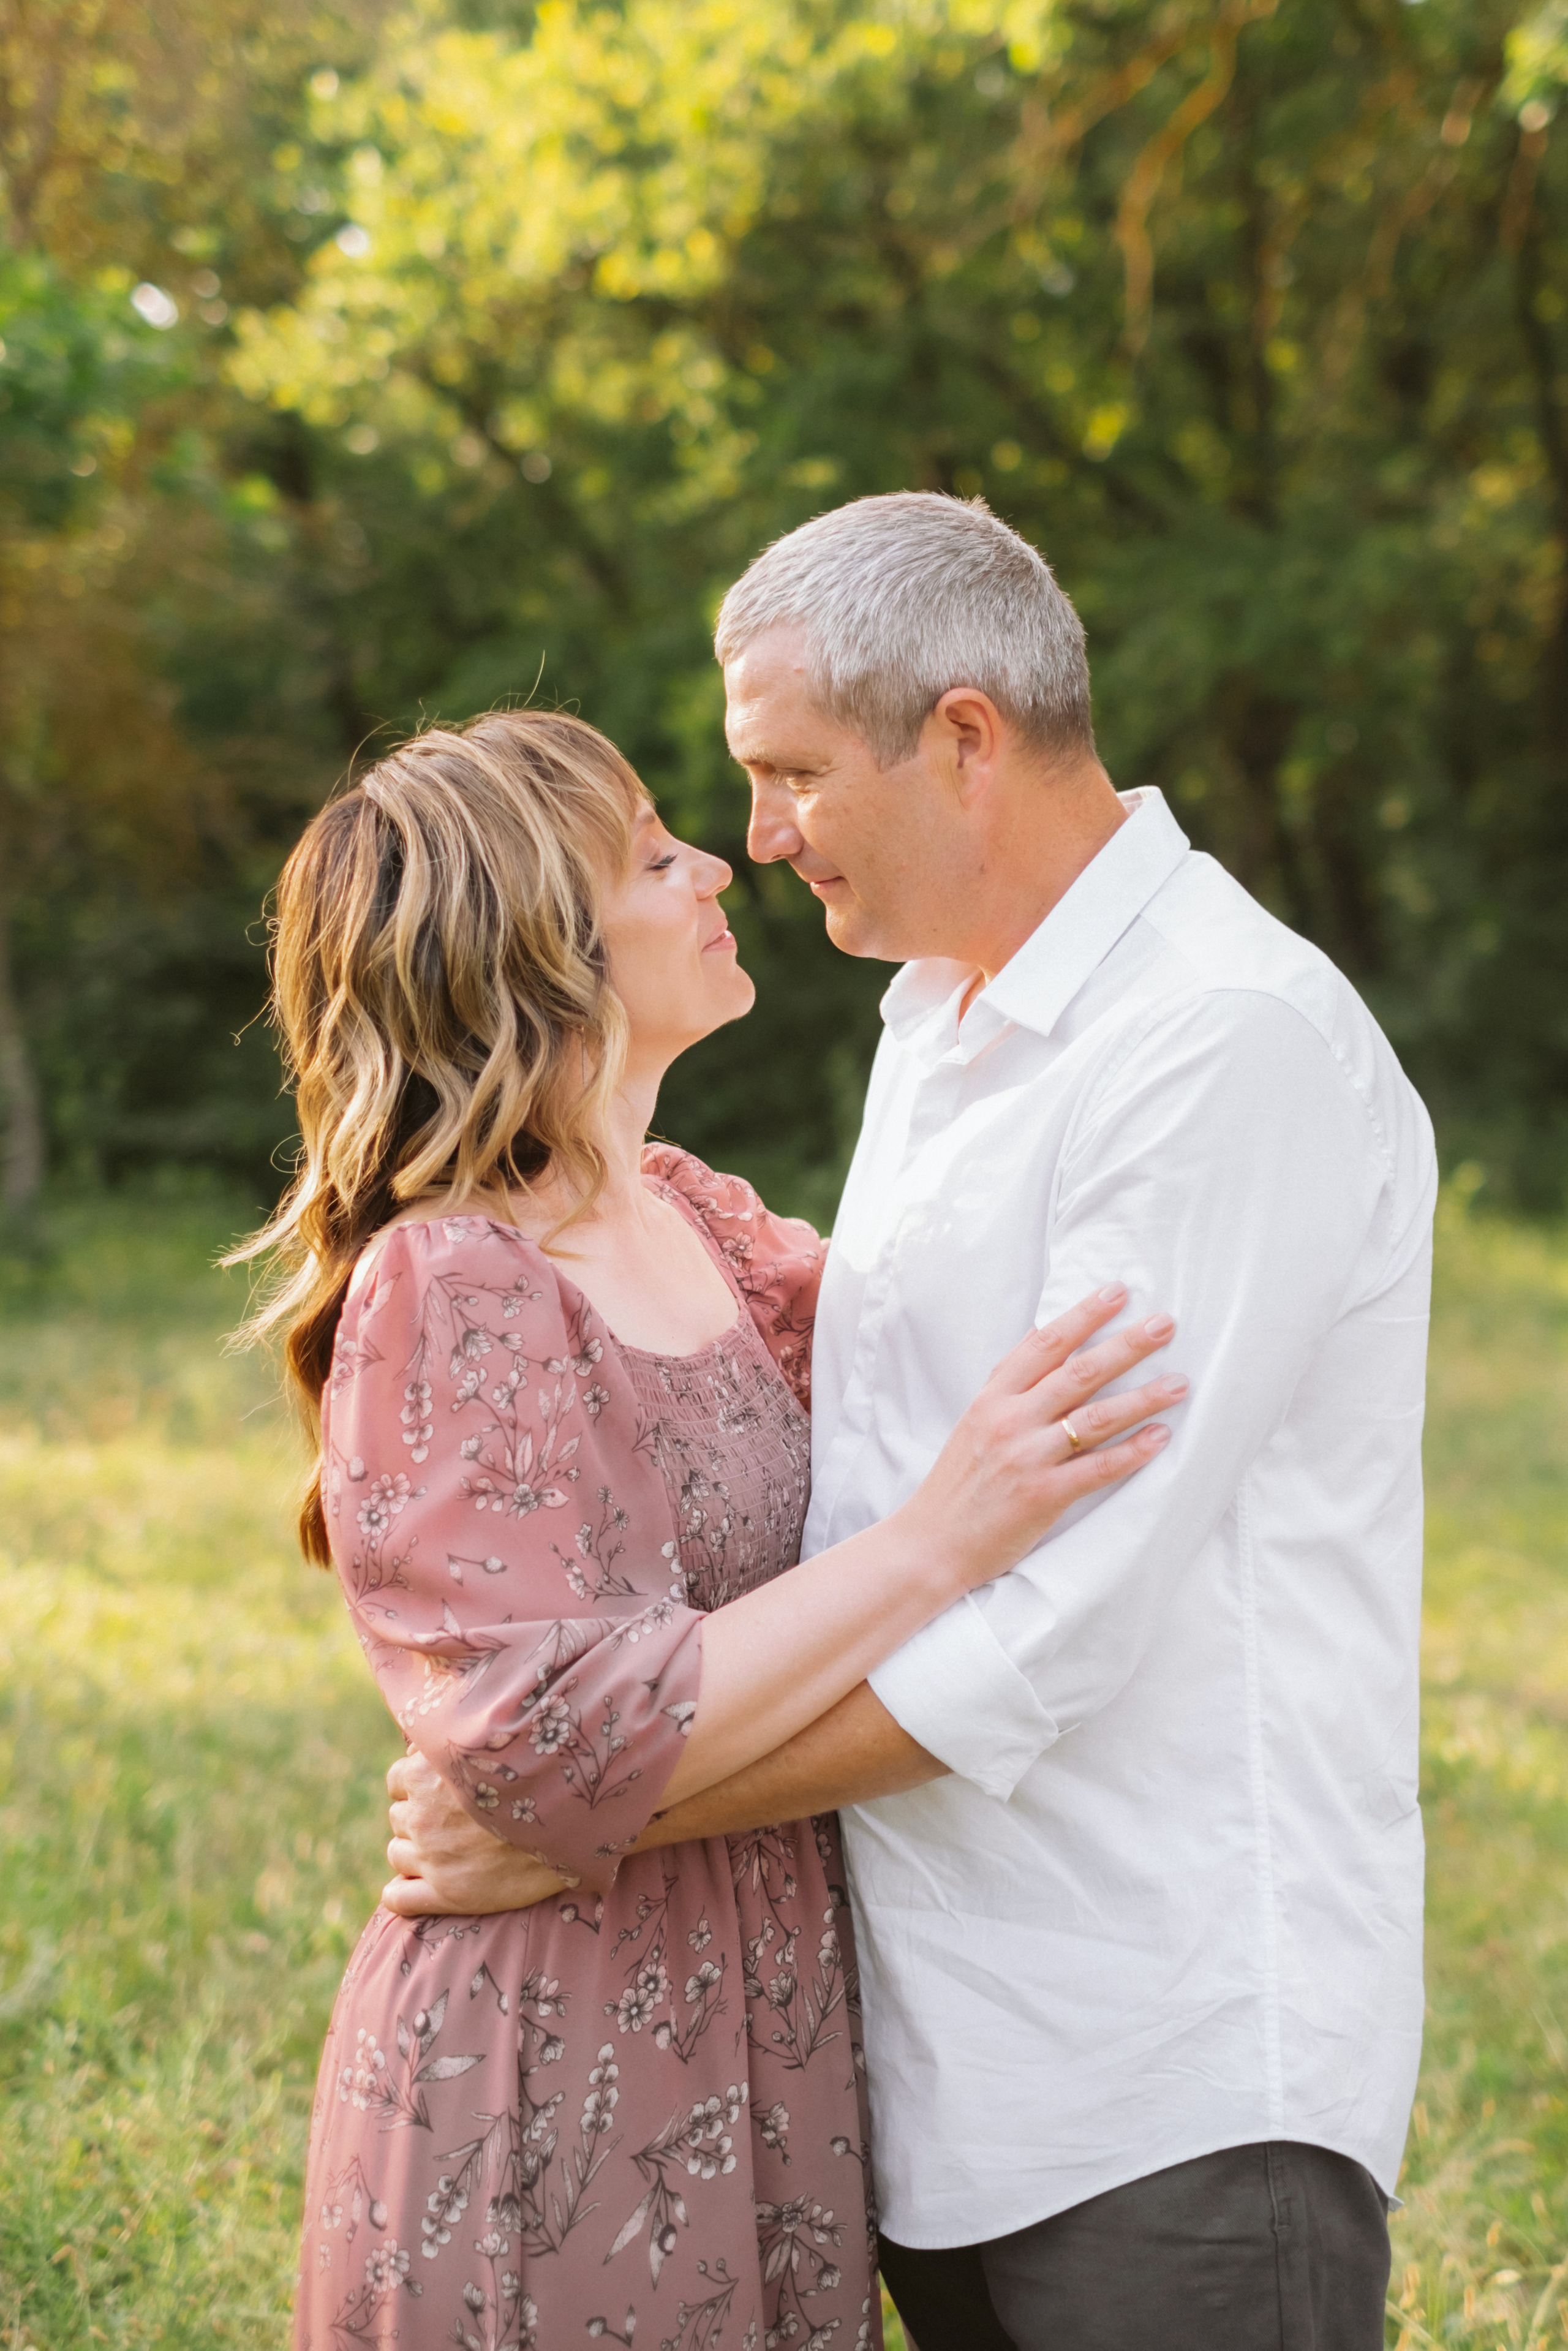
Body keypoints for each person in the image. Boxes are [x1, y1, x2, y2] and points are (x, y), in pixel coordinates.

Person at [385, 495, 1438, 2351]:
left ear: (964, 738)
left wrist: (583, 1825)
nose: (759, 835)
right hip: (931, 2084)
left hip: (1163, 2082)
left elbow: (1047, 1640)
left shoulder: (1215, 1041)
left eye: (789, 773)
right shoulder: (946, 1015)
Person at [233, 706, 1180, 2351]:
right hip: (557, 2064)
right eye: (656, 857)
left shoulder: (698, 1218)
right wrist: (937, 1545)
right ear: (541, 948)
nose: (717, 869)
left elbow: (930, 1381)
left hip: (768, 2017)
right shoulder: (454, 1279)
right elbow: (540, 1736)